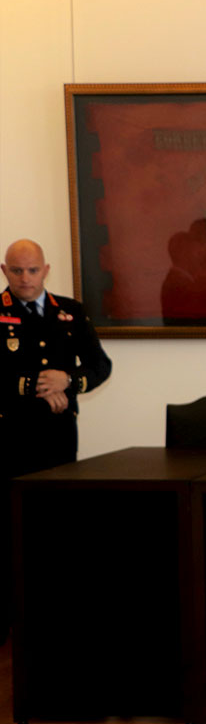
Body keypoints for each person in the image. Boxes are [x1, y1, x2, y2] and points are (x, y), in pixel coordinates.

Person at [1, 237, 112, 640]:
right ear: (4, 271)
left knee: (55, 526)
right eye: (17, 270)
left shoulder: (70, 312)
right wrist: (33, 385)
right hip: (10, 437)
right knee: (10, 530)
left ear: (46, 270)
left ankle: (53, 619)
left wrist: (71, 380)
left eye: (32, 270)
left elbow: (101, 365)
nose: (25, 278)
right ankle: (11, 624)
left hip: (58, 437)